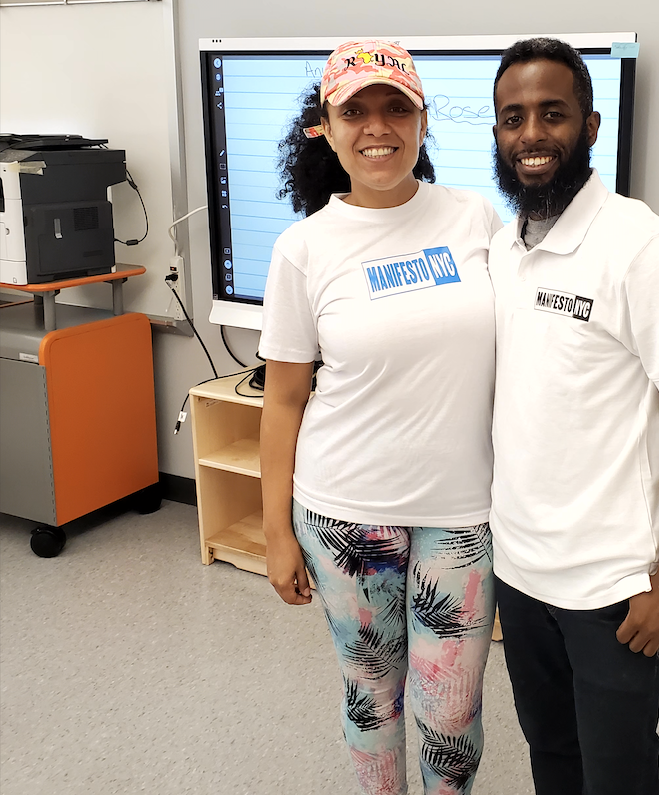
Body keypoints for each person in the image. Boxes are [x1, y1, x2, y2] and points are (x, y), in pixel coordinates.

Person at [258, 40, 502, 795]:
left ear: (423, 122)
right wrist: (274, 533)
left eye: (397, 107)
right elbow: (284, 399)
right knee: (373, 700)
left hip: (462, 511)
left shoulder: (475, 218)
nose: (377, 127)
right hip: (343, 514)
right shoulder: (304, 248)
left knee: (451, 712)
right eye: (354, 110)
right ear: (324, 130)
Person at [487, 38, 659, 795]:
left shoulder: (639, 248)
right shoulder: (504, 247)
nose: (531, 134)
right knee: (553, 756)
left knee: (619, 779)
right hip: (520, 576)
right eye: (512, 117)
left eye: (551, 114)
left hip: (613, 593)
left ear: (591, 127)